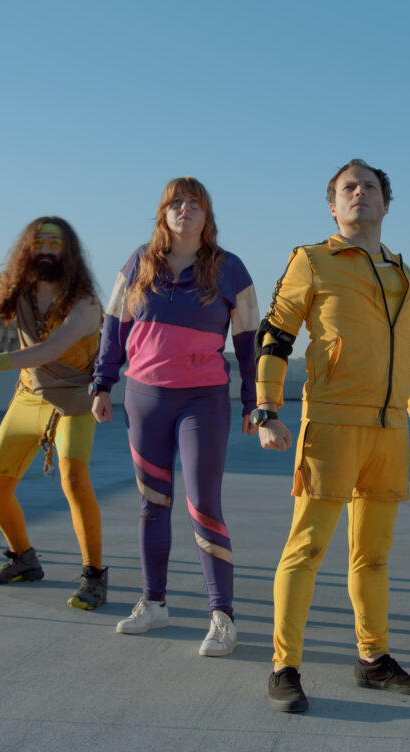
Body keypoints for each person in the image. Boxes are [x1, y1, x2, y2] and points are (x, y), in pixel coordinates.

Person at [255, 159, 410, 713]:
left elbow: (408, 354)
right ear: (333, 206)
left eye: (370, 187)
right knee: (307, 547)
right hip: (331, 421)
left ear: (386, 203)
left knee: (373, 556)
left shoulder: (404, 274)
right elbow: (276, 334)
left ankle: (373, 659)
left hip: (386, 433)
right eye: (348, 188)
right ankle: (284, 666)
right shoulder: (312, 260)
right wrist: (266, 408)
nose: (360, 193)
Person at [91, 177, 258, 655]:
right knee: (151, 503)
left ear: (208, 216)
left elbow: (248, 343)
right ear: (163, 213)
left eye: (195, 204)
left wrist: (253, 403)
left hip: (202, 401)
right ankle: (153, 603)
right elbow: (114, 327)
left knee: (204, 504)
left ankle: (221, 616)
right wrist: (102, 383)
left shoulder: (230, 269)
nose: (185, 209)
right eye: (176, 203)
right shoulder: (139, 262)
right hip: (144, 398)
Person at [0, 217, 107, 610]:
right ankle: (23, 557)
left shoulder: (85, 301)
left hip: (75, 399)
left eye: (54, 243)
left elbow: (51, 349)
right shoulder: (16, 291)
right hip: (29, 395)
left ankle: (93, 575)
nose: (45, 249)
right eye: (38, 242)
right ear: (27, 247)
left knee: (74, 480)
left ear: (68, 251)